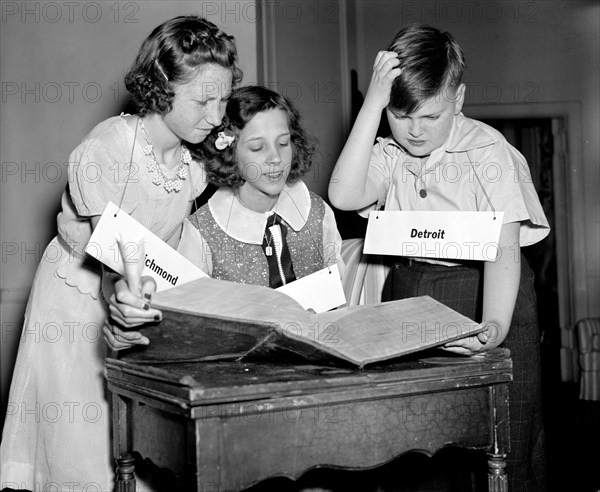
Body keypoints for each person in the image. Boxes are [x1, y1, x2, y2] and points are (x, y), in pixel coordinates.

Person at [0, 15, 241, 491]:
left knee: (138, 448)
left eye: (224, 99)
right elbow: (111, 258)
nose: (217, 116)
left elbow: (169, 246)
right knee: (85, 450)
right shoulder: (107, 148)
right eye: (203, 100)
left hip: (138, 295)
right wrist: (124, 302)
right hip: (78, 302)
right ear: (162, 85)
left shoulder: (193, 163)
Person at [328, 24, 549, 491]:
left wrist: (495, 325)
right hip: (413, 291)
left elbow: (505, 247)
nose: (414, 130)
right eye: (399, 114)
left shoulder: (488, 152)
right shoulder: (391, 153)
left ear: (460, 98)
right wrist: (372, 103)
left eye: (431, 116)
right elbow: (344, 194)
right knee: (422, 444)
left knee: (503, 444)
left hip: (487, 293)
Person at [178, 85, 343, 284]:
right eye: (257, 147)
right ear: (229, 154)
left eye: (283, 143)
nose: (275, 157)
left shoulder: (318, 214)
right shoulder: (202, 232)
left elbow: (338, 294)